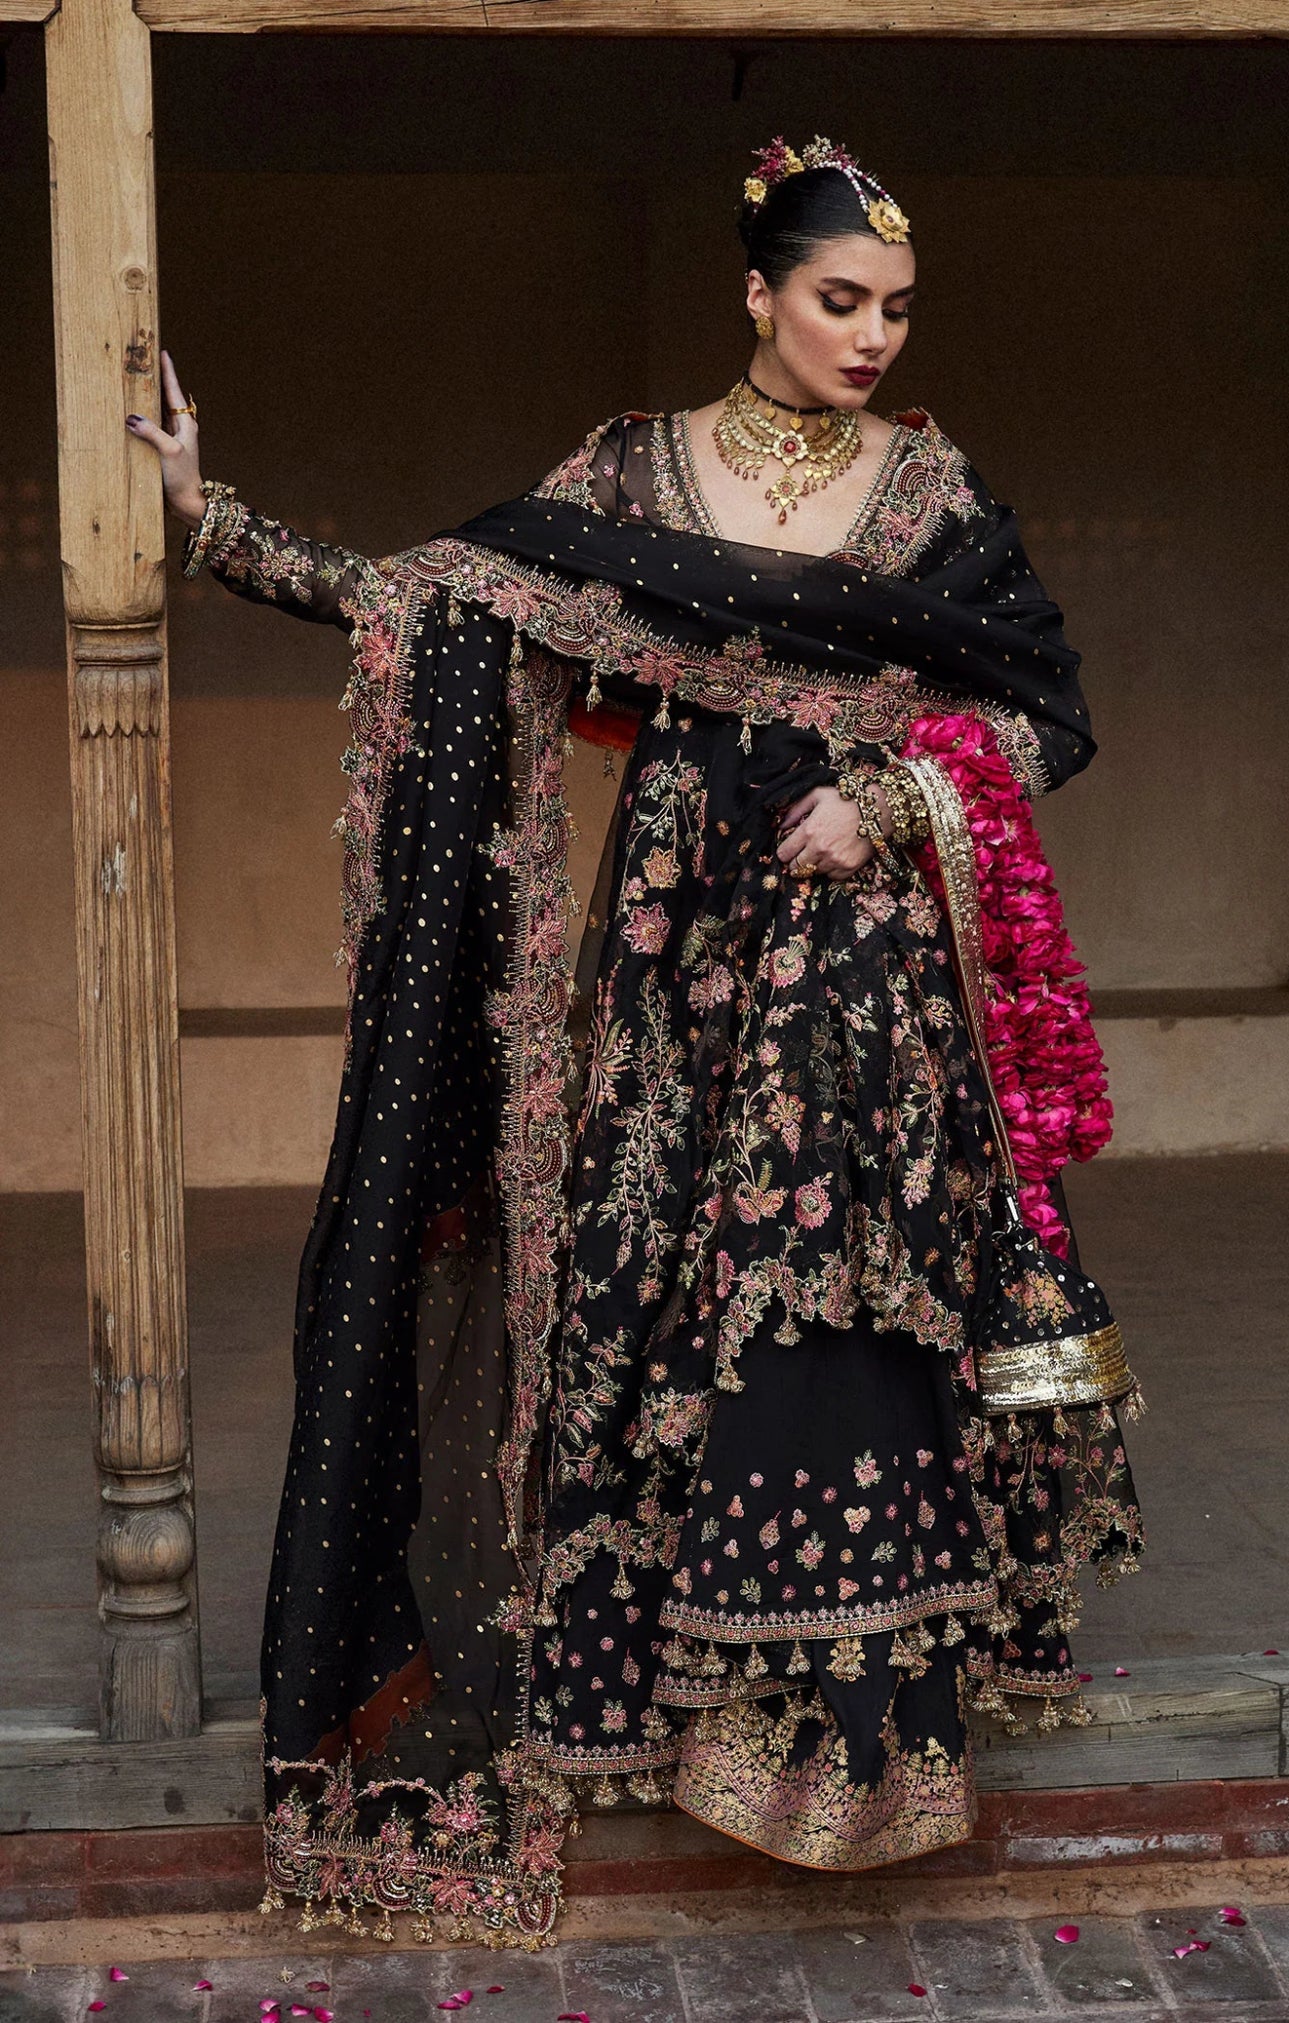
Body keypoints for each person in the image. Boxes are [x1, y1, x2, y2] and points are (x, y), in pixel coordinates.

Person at [129, 136, 1145, 1946]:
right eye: (839, 302)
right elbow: (443, 604)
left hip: (864, 983)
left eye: (897, 311)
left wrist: (902, 798)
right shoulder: (626, 472)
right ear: (755, 295)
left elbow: (1042, 711)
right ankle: (657, 1707)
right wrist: (217, 524)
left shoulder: (930, 492)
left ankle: (853, 1745)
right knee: (668, 1290)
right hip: (682, 960)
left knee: (837, 1303)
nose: (871, 339)